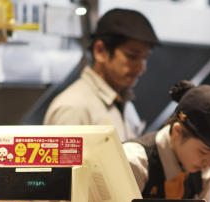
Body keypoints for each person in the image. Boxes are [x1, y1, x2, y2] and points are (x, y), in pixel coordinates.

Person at [44, 8, 159, 140]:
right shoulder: (73, 107)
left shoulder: (126, 105)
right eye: (132, 56)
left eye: (145, 58)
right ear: (100, 51)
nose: (141, 68)